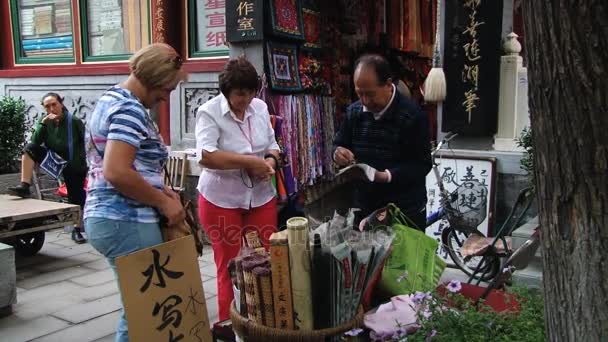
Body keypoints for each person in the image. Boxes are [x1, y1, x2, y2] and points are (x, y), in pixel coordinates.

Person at [83, 43, 187, 342]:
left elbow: (120, 165)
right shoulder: (130, 109)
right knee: (146, 311)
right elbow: (116, 171)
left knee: (141, 307)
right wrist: (161, 202)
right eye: (167, 88)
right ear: (155, 77)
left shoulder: (112, 99)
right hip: (126, 218)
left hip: (112, 217)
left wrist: (160, 188)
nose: (166, 97)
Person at [196, 56, 280, 321]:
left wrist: (269, 161)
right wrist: (249, 162)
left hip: (260, 196)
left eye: (250, 92)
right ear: (226, 92)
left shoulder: (260, 108)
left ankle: (263, 324)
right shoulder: (209, 112)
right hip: (221, 199)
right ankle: (229, 327)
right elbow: (206, 155)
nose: (245, 99)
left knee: (265, 261)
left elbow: (273, 145)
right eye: (239, 94)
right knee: (230, 266)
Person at [333, 54, 432, 230]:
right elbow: (340, 142)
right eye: (359, 93)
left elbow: (422, 165)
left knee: (405, 257)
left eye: (370, 94)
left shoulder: (412, 116)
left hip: (403, 211)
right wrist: (338, 153)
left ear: (388, 84)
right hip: (365, 207)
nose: (364, 101)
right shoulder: (354, 112)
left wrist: (386, 176)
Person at [8, 92, 88, 243]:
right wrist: (43, 123)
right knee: (29, 148)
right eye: (47, 106)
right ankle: (25, 185)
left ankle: (76, 230)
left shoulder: (74, 121)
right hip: (54, 160)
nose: (51, 109)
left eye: (54, 104)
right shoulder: (45, 121)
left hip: (73, 164)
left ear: (61, 104)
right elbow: (35, 142)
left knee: (75, 197)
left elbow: (86, 144)